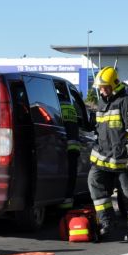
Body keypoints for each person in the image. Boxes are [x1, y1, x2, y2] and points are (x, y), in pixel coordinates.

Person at [88, 66, 128, 242]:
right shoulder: (101, 103)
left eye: (105, 87)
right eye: (100, 87)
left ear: (114, 84)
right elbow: (99, 130)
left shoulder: (126, 102)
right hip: (104, 157)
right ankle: (107, 223)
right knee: (94, 181)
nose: (102, 90)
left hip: (125, 159)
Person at [55, 82, 81, 210]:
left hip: (59, 146)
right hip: (73, 146)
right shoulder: (71, 106)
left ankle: (63, 205)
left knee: (61, 175)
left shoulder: (56, 104)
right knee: (71, 176)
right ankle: (67, 206)